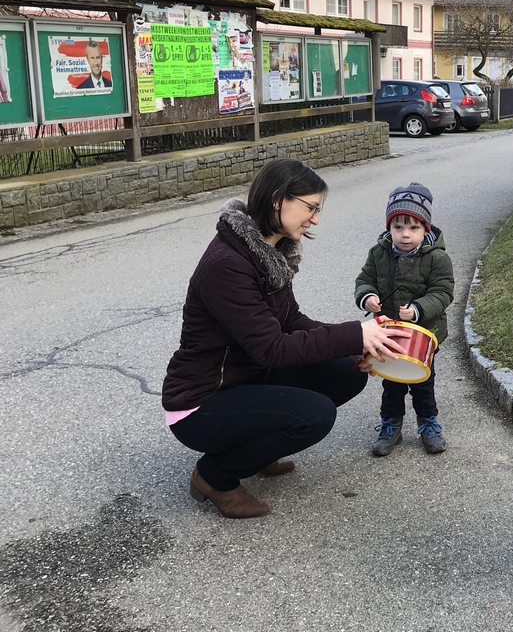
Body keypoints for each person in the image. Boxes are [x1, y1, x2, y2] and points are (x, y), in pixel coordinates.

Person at [162, 158, 410, 519]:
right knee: (315, 415)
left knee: (346, 372)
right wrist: (355, 333)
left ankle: (256, 449)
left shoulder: (267, 252)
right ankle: (215, 477)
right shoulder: (227, 265)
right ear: (279, 200)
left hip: (246, 379)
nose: (315, 219)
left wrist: (360, 341)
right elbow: (272, 348)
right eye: (310, 208)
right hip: (201, 403)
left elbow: (291, 320)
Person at [354, 182, 455, 456]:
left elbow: (443, 291)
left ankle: (428, 423)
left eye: (413, 228)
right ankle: (390, 424)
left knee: (423, 383)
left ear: (426, 229)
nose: (405, 235)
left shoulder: (437, 259)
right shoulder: (378, 253)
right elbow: (365, 279)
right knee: (392, 383)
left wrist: (419, 309)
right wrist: (368, 296)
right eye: (398, 227)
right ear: (389, 228)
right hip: (389, 332)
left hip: (425, 331)